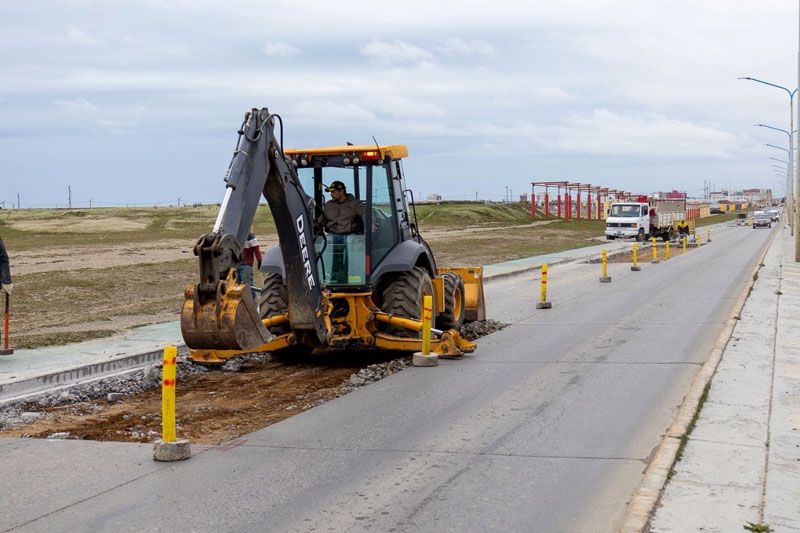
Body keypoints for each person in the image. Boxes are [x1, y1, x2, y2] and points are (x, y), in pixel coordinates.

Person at [318, 181, 365, 283]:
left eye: (333, 192)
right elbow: (320, 221)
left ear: (341, 191)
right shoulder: (328, 205)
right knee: (325, 242)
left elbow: (366, 214)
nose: (331, 194)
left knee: (350, 242)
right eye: (330, 192)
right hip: (333, 235)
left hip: (349, 235)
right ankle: (326, 277)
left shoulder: (355, 204)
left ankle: (351, 276)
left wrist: (371, 223)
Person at [237, 232, 262, 303]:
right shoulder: (233, 234)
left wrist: (259, 261)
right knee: (236, 287)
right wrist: (259, 261)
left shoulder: (249, 236)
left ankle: (253, 303)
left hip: (246, 265)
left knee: (248, 287)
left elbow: (256, 249)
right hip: (235, 265)